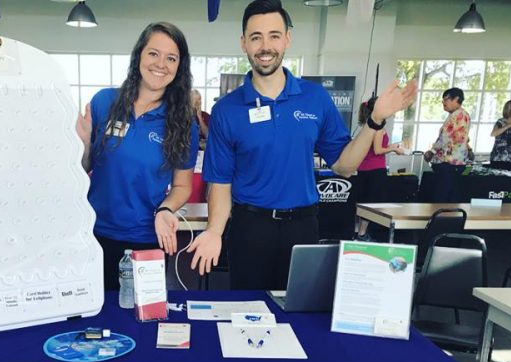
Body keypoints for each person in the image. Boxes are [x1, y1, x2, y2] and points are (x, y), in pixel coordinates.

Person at [187, 0, 417, 290]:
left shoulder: (315, 98)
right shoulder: (226, 110)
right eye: (256, 37)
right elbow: (220, 183)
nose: (265, 46)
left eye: (274, 35)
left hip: (302, 227)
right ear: (244, 42)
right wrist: (214, 231)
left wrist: (374, 120)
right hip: (249, 228)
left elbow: (344, 166)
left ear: (287, 39)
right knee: (248, 309)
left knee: (299, 308)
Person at [77, 22, 199, 290]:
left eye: (171, 58)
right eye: (153, 53)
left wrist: (165, 210)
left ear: (180, 66)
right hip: (94, 234)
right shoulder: (104, 102)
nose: (161, 64)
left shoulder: (182, 122)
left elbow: (182, 186)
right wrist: (84, 143)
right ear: (139, 55)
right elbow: (84, 167)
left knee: (143, 313)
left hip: (147, 238)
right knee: (96, 311)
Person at [352, 97, 403, 240]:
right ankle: (362, 234)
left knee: (364, 202)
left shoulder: (367, 127)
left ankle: (359, 233)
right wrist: (393, 148)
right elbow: (378, 150)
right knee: (371, 204)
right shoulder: (378, 128)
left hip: (364, 169)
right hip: (375, 170)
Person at [423, 87, 470, 202]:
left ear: (456, 99)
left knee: (442, 197)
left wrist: (432, 151)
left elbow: (445, 138)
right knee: (448, 196)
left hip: (450, 162)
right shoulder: (458, 115)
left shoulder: (458, 115)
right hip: (453, 162)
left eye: (446, 99)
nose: (443, 103)